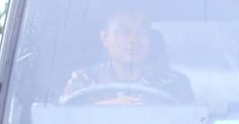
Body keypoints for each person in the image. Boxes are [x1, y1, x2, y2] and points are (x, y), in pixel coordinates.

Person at [61, 10, 193, 103]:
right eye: (125, 32)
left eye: (142, 32)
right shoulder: (83, 79)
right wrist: (101, 109)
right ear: (105, 38)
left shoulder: (175, 83)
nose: (134, 40)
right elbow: (61, 123)